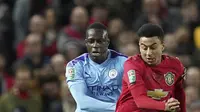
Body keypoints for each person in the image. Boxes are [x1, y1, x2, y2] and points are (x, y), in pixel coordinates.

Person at [116, 23, 186, 112]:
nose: (148, 53)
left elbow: (179, 92)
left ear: (162, 46)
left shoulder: (175, 65)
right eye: (144, 48)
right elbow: (140, 100)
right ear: (139, 47)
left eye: (153, 48)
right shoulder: (132, 65)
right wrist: (164, 106)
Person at [65, 22, 127, 112]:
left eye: (100, 41)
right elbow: (83, 102)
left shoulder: (124, 62)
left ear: (107, 42)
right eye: (91, 41)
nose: (95, 45)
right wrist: (119, 108)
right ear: (86, 43)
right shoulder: (75, 66)